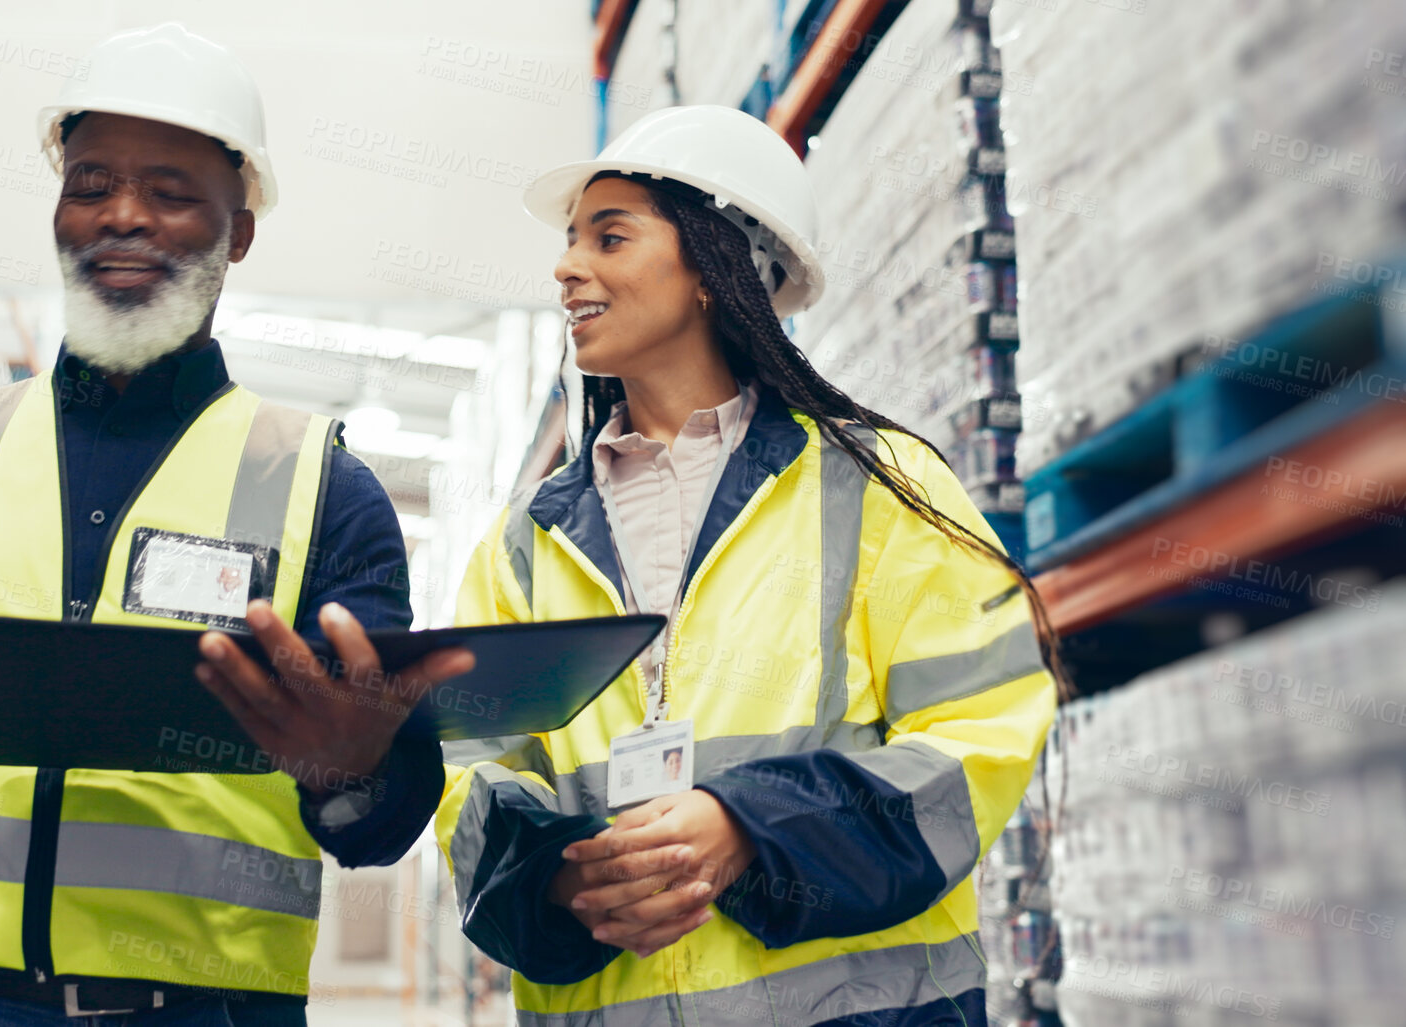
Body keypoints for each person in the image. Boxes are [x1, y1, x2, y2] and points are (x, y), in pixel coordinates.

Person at [0, 24, 468, 1025]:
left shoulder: (324, 492)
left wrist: (351, 766)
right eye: (92, 181)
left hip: (203, 1008)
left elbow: (381, 820)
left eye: (171, 191)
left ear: (239, 230)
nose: (124, 217)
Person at [434, 105, 1061, 1026]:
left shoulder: (875, 484)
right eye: (571, 243)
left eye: (610, 237)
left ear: (712, 268)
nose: (568, 269)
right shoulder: (525, 542)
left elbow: (982, 729)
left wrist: (748, 829)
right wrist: (560, 877)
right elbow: (467, 764)